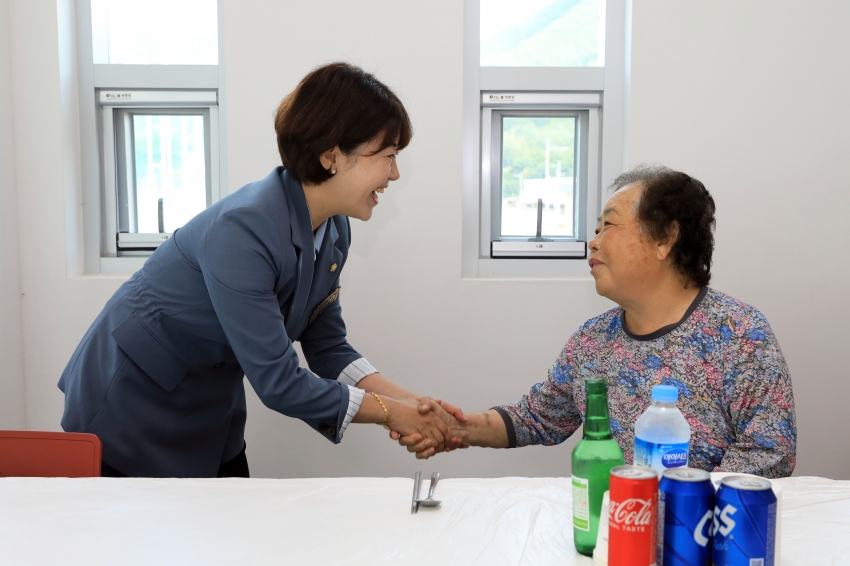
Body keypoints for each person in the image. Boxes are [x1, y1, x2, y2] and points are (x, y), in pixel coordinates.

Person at [58, 62, 463, 478]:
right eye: (388, 156)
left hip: (209, 403)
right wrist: (390, 413)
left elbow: (328, 347)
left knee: (227, 513)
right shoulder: (243, 229)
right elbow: (279, 382)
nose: (394, 173)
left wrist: (414, 404)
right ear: (332, 156)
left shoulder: (334, 228)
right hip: (132, 399)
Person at [400, 165, 797, 479]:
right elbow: (538, 417)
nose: (593, 241)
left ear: (665, 239)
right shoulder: (593, 341)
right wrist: (457, 427)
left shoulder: (740, 333)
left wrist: (683, 510)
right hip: (619, 527)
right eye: (595, 229)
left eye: (608, 225)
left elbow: (769, 452)